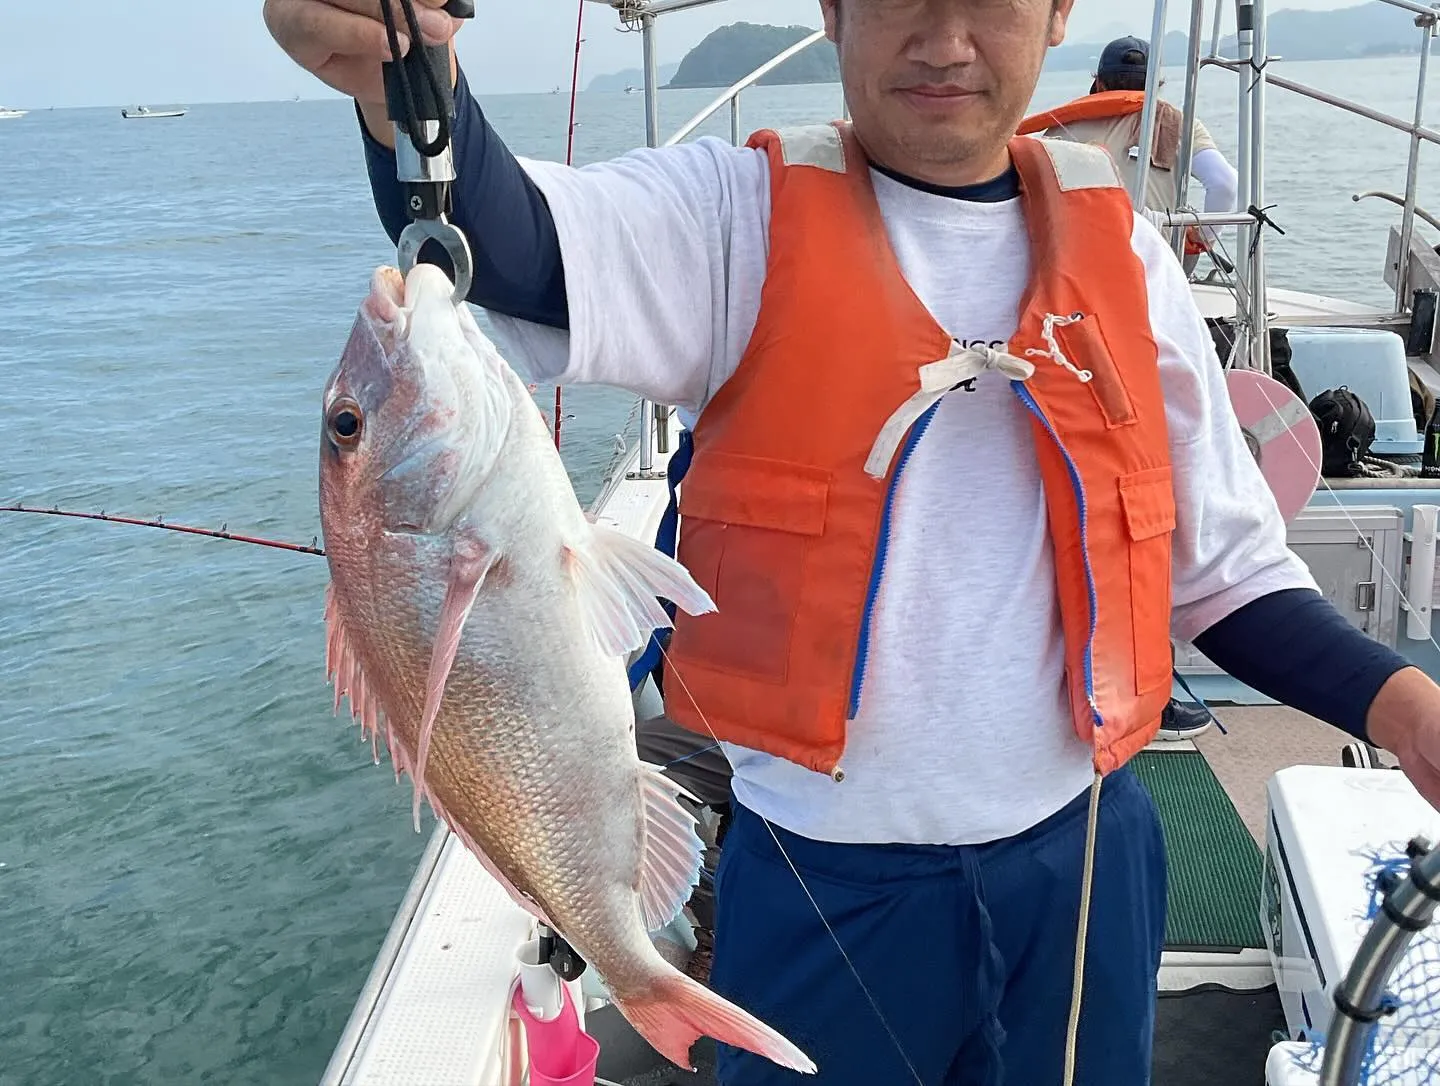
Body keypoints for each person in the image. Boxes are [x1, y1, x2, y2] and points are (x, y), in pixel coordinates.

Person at [264, 2, 1440, 1083]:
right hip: (825, 873)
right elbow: (507, 242)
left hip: (1086, 866)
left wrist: (1404, 710)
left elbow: (1227, 574)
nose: (943, 38)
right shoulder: (732, 219)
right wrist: (399, 80)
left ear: (1059, 10)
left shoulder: (1125, 257)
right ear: (832, 10)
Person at [1022, 35, 1240, 280]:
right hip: (1155, 270)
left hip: (1082, 270)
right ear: (1156, 86)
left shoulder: (1059, 129)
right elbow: (1225, 184)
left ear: (1100, 85)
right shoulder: (1179, 125)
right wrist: (1203, 238)